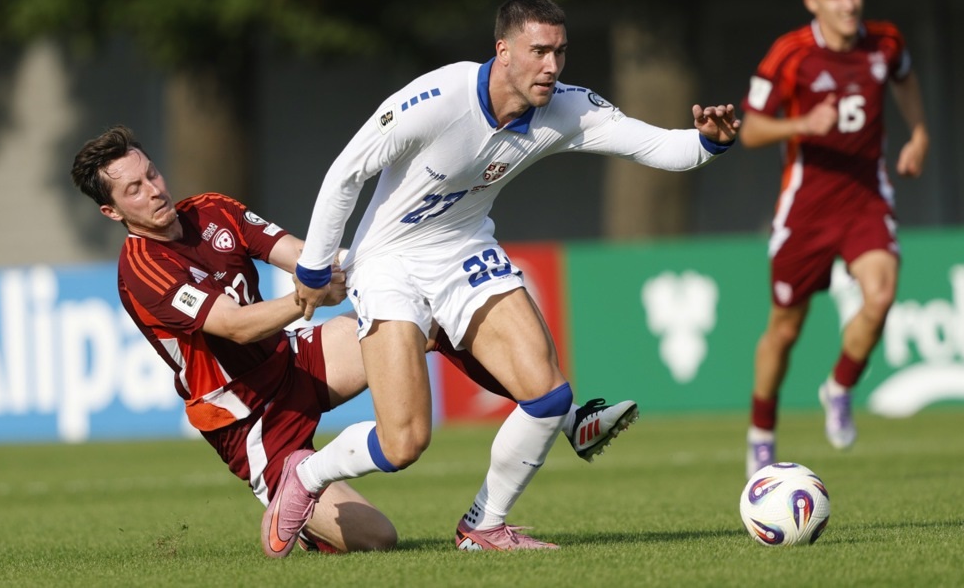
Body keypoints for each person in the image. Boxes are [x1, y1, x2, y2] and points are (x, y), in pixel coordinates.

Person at [289, 0, 739, 552]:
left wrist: (708, 142)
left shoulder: (567, 108)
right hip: (388, 262)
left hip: (463, 250)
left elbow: (658, 147)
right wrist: (314, 266)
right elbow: (345, 173)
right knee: (404, 442)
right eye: (538, 51)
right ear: (503, 51)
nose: (552, 66)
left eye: (560, 52)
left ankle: (484, 525)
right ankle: (305, 476)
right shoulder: (437, 99)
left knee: (547, 394)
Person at [70, 125, 638, 557]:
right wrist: (307, 297)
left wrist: (374, 265)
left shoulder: (212, 210)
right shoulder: (141, 270)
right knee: (378, 539)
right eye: (134, 189)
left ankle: (568, 419)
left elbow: (303, 255)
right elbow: (237, 326)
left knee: (426, 319)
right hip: (249, 419)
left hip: (294, 360)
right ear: (111, 211)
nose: (154, 190)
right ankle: (301, 508)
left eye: (152, 174)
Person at [739, 0, 929, 478]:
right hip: (806, 208)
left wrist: (919, 134)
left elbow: (905, 79)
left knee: (881, 295)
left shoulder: (884, 42)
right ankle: (761, 432)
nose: (849, 5)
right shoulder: (791, 54)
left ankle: (840, 386)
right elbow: (751, 129)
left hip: (866, 197)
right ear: (812, 2)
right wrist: (801, 124)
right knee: (784, 330)